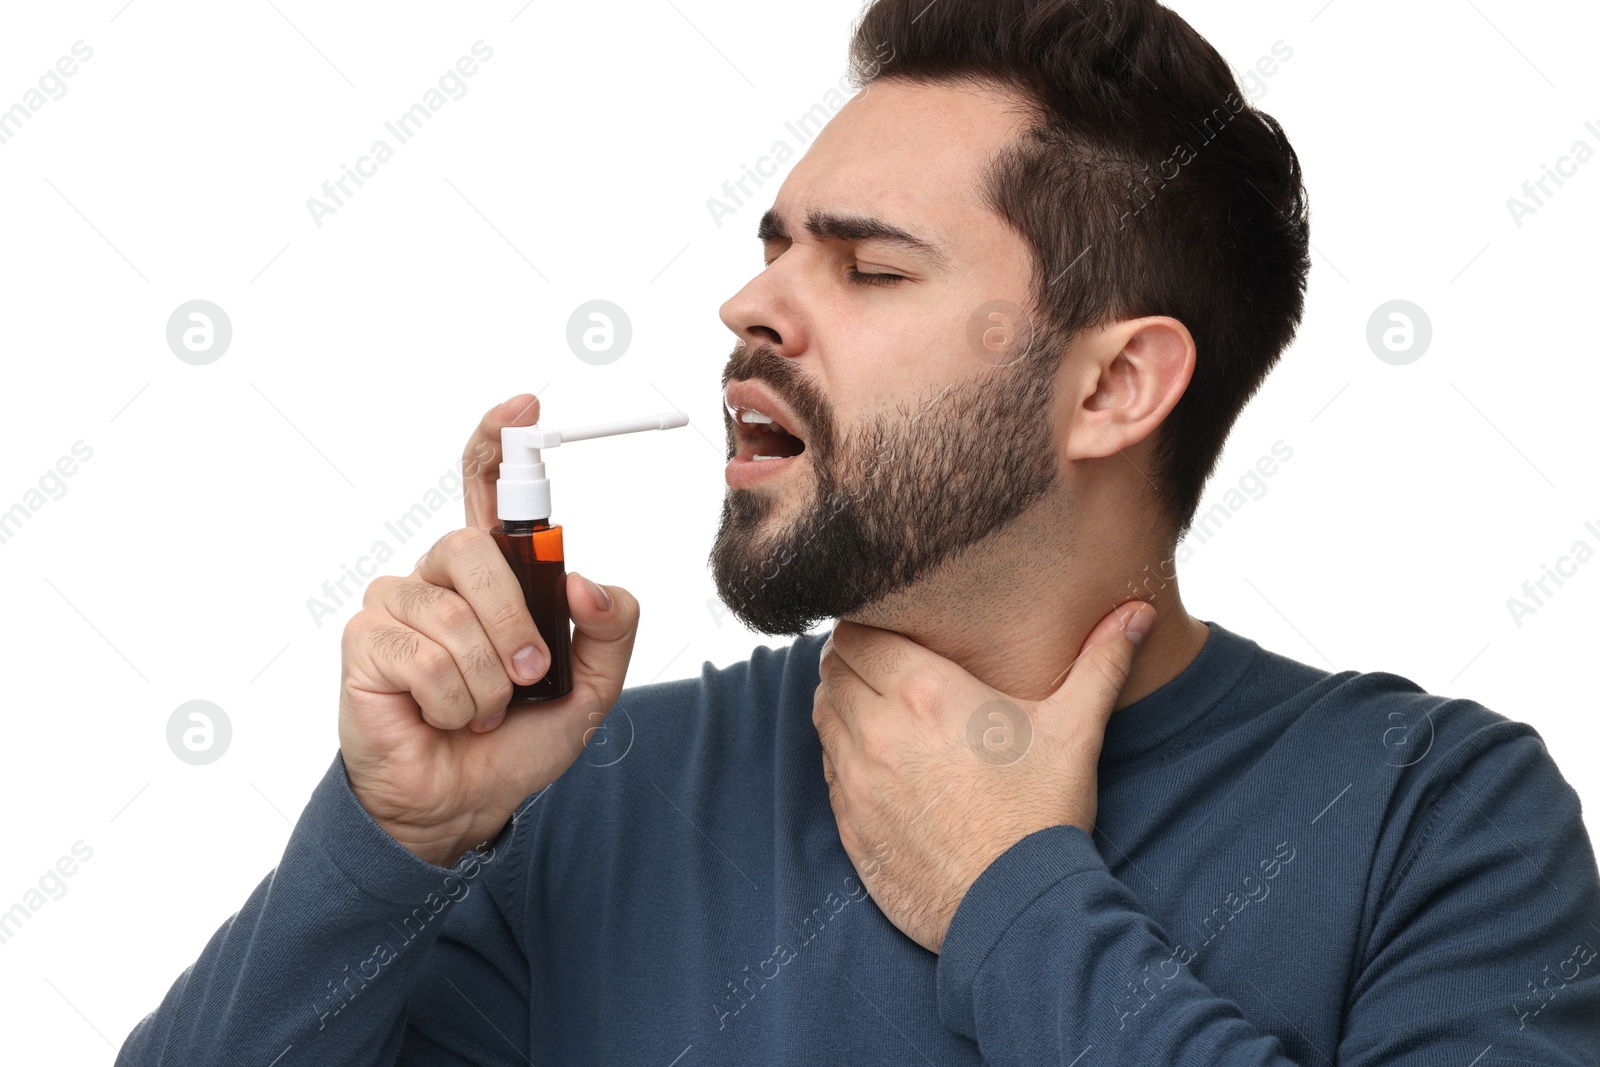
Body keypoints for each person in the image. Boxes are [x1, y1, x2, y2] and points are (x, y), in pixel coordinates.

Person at [117, 0, 1600, 1062]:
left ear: (1113, 386)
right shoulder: (602, 790)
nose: (751, 306)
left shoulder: (1439, 818)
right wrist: (393, 844)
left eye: (868, 268)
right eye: (774, 247)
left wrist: (1013, 895)